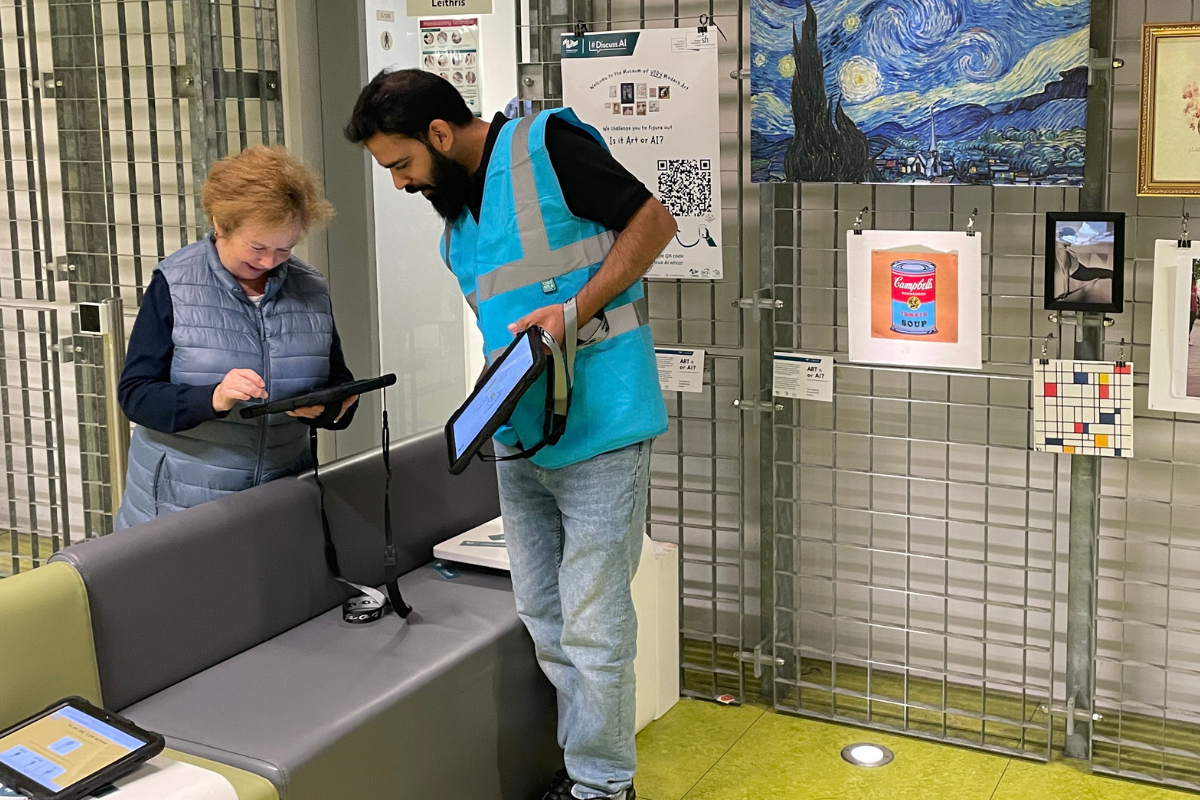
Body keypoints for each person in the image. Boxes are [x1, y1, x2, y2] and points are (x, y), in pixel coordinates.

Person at [345, 70, 676, 800]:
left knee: (593, 619)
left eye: (401, 165)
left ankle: (601, 787)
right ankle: (586, 765)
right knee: (544, 614)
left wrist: (575, 308)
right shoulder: (459, 223)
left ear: (438, 134)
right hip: (522, 436)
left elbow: (655, 220)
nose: (399, 184)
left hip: (603, 426)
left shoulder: (548, 144)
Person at [114, 146, 358, 529]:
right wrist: (212, 397)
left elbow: (337, 383)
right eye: (257, 247)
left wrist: (329, 409)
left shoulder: (310, 287)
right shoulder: (175, 283)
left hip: (278, 501)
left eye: (285, 248)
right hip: (181, 509)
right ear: (220, 224)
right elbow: (136, 395)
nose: (269, 262)